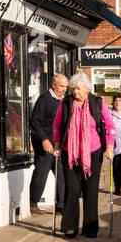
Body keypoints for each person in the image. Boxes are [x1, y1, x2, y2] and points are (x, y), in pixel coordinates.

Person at [45, 72, 114, 238]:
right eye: (73, 88)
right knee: (72, 189)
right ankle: (70, 227)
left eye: (78, 88)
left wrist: (109, 147)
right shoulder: (66, 103)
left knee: (90, 190)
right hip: (70, 153)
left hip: (93, 152)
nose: (75, 92)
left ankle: (90, 228)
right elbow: (57, 126)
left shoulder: (98, 103)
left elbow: (110, 126)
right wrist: (57, 146)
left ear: (87, 88)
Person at [28, 72, 68, 213]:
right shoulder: (44, 99)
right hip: (45, 143)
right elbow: (35, 122)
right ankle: (33, 203)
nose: (64, 89)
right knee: (41, 173)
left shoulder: (63, 100)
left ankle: (61, 205)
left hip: (58, 144)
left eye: (66, 87)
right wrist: (44, 139)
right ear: (54, 84)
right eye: (62, 86)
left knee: (62, 174)